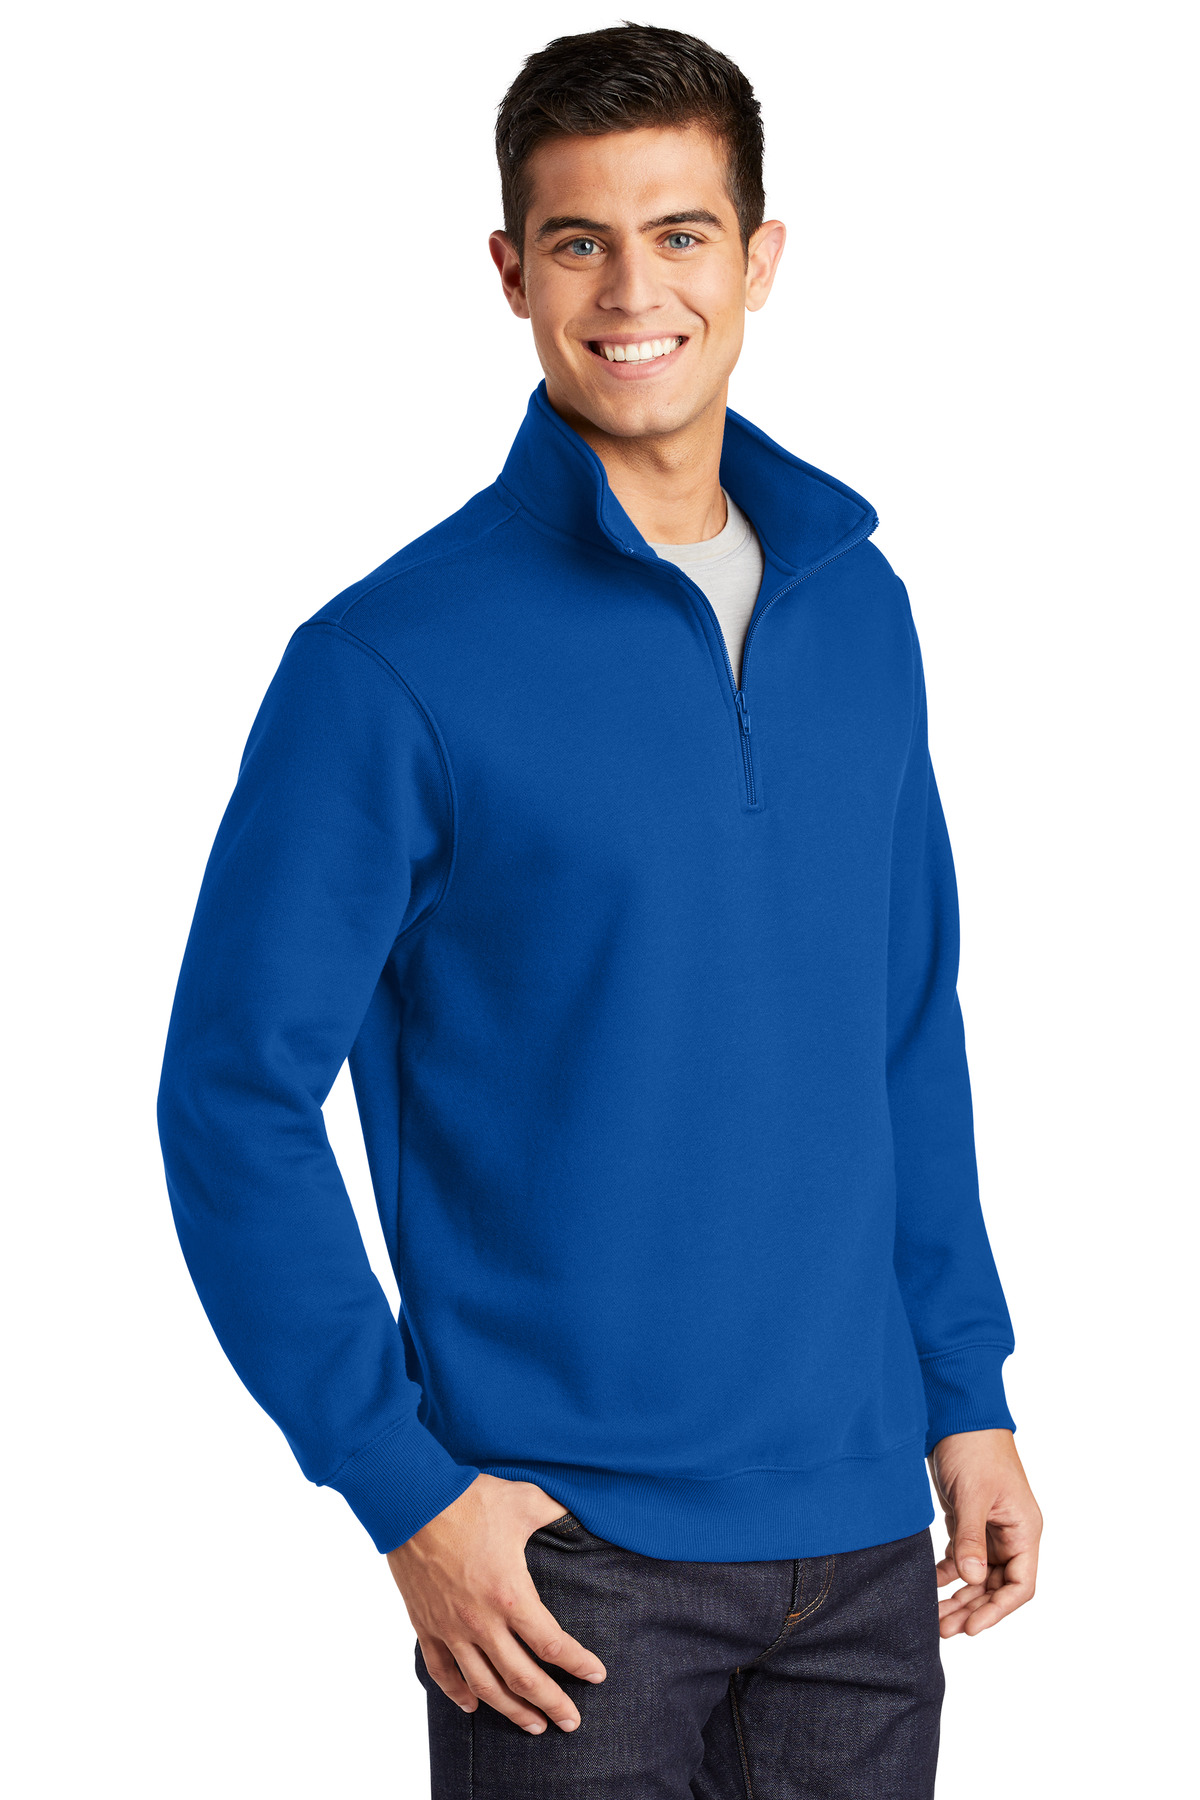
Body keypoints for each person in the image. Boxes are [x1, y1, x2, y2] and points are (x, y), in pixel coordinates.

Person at [157, 22, 1042, 1797]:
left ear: (760, 258)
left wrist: (967, 1391)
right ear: (512, 272)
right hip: (567, 1571)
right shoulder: (388, 663)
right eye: (581, 241)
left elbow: (902, 1029)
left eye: (681, 233)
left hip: (867, 1542)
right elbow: (231, 1097)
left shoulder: (861, 612)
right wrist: (403, 1488)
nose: (635, 292)